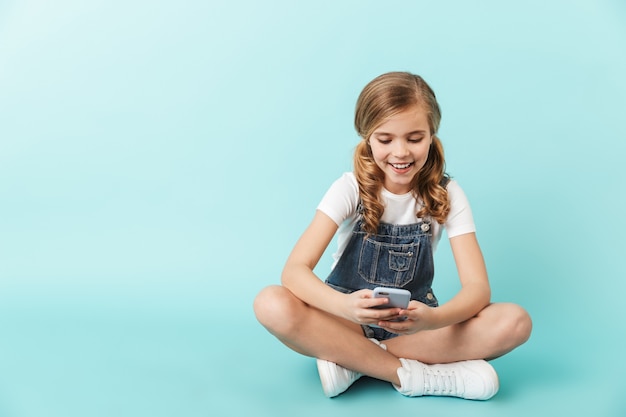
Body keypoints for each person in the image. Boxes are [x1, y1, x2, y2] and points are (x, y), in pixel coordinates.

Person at [253, 71, 532, 399]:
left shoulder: (448, 194)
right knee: (271, 303)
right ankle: (413, 375)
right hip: (344, 320)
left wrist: (432, 320)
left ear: (432, 135)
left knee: (515, 321)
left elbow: (477, 288)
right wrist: (345, 307)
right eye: (385, 139)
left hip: (415, 328)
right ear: (367, 138)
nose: (400, 152)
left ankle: (353, 359)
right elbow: (294, 270)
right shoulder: (350, 188)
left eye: (414, 138)